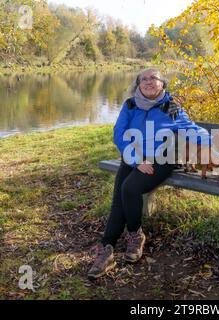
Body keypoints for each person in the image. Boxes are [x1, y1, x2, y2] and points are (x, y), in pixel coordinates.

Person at [88, 68, 211, 279]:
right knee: (119, 199)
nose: (148, 82)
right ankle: (106, 249)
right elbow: (119, 135)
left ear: (162, 83)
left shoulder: (170, 107)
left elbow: (192, 129)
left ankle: (135, 235)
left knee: (129, 188)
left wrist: (210, 144)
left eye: (153, 78)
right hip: (135, 156)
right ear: (138, 85)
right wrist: (137, 159)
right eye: (143, 79)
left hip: (164, 158)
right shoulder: (129, 106)